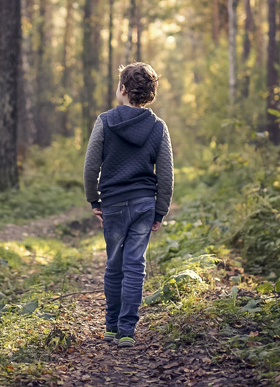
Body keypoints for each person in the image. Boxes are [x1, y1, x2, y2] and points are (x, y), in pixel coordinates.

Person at [83, 62, 174, 348]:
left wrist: (94, 199)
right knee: (136, 265)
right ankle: (126, 331)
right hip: (145, 204)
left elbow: (90, 167)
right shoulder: (158, 127)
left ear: (123, 89)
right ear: (150, 94)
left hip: (112, 203)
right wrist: (160, 210)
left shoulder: (105, 121)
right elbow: (167, 175)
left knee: (114, 264)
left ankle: (111, 327)